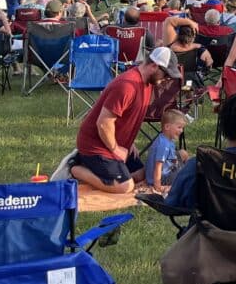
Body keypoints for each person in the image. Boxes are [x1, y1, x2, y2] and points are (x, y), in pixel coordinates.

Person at [70, 47, 183, 194]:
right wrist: (115, 149)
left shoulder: (147, 82)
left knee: (141, 175)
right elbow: (103, 123)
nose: (167, 78)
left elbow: (126, 118)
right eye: (166, 74)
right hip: (95, 146)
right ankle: (76, 169)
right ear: (154, 66)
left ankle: (103, 172)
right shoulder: (127, 86)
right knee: (126, 187)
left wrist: (129, 143)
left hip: (114, 142)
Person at [144, 109, 189, 193]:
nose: (181, 130)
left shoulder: (166, 139)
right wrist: (158, 186)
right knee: (187, 173)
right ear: (167, 127)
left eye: (182, 128)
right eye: (179, 127)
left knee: (183, 153)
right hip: (162, 178)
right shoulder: (163, 145)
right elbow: (158, 166)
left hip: (167, 169)